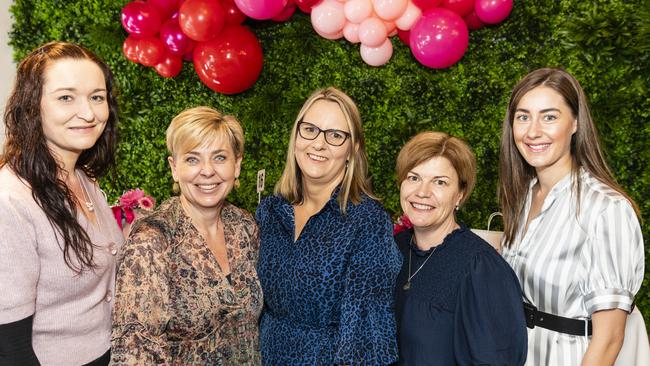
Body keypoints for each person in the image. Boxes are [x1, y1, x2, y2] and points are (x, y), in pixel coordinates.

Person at [498, 68, 645, 365]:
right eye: (523, 117)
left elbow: (609, 339)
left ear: (575, 123)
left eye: (549, 117)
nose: (533, 131)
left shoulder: (606, 209)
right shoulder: (524, 195)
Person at [256, 87, 401, 365]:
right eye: (309, 129)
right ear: (296, 136)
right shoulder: (271, 213)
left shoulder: (367, 223)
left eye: (335, 135)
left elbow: (367, 338)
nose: (318, 144)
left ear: (353, 149)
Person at [0, 41, 123, 365]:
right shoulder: (10, 202)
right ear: (32, 106)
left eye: (97, 97)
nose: (88, 113)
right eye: (66, 97)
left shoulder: (84, 180)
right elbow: (10, 349)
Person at [111, 106, 262, 364]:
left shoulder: (244, 226)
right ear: (174, 167)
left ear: (237, 165)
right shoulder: (153, 240)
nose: (207, 171)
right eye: (193, 159)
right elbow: (134, 350)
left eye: (219, 158)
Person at [394, 131, 527, 365]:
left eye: (440, 182)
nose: (422, 192)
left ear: (460, 194)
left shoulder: (480, 269)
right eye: (414, 178)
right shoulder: (393, 250)